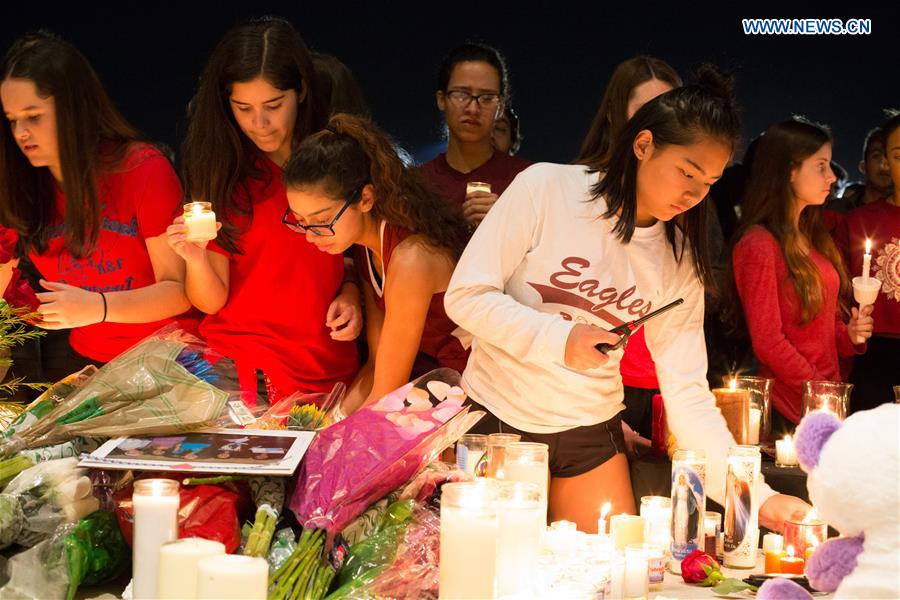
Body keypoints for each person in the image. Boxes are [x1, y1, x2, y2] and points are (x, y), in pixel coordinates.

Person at [445, 65, 809, 531]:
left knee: (607, 573)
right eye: (687, 172)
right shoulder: (546, 189)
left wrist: (757, 497)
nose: (694, 194)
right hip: (499, 417)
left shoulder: (678, 260)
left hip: (590, 432)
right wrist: (561, 337)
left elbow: (687, 395)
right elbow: (467, 296)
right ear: (643, 145)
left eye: (709, 183)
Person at [168, 18, 361, 404]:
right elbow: (211, 301)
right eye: (243, 108)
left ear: (302, 90)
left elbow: (360, 253)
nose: (260, 123)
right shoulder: (225, 172)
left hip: (327, 366)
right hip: (242, 370)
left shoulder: (336, 158)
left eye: (274, 105)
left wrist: (352, 292)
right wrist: (194, 258)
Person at [0, 32, 191, 381]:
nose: (21, 133)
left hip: (172, 361)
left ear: (73, 110)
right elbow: (7, 284)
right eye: (13, 120)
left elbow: (179, 291)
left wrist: (97, 306)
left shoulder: (142, 169)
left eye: (33, 116)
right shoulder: (24, 186)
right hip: (89, 365)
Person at [282, 113, 470, 414]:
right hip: (435, 390)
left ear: (366, 198)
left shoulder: (411, 258)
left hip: (476, 394)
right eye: (301, 221)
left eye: (321, 220)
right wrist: (331, 421)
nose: (310, 236)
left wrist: (335, 441)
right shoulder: (365, 249)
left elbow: (387, 393)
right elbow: (376, 364)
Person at [731, 118, 873, 428]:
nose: (832, 176)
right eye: (821, 166)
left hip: (823, 401)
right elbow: (768, 342)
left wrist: (847, 334)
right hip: (789, 406)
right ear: (789, 171)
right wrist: (817, 388)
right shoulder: (759, 244)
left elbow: (821, 324)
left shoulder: (813, 238)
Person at [575, 55, 682, 456]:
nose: (660, 127)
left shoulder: (687, 209)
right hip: (595, 385)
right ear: (615, 119)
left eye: (672, 112)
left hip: (664, 381)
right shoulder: (580, 198)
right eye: (645, 113)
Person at [418, 42, 531, 228]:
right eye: (462, 95)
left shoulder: (526, 180)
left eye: (487, 98)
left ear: (500, 106)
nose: (473, 108)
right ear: (441, 99)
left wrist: (508, 218)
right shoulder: (416, 184)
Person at [835, 114, 900, 412]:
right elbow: (838, 297)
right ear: (886, 160)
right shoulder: (860, 221)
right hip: (873, 356)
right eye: (899, 156)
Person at [827, 127, 892, 213]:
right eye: (876, 156)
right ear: (863, 167)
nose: (884, 164)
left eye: (896, 157)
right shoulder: (836, 211)